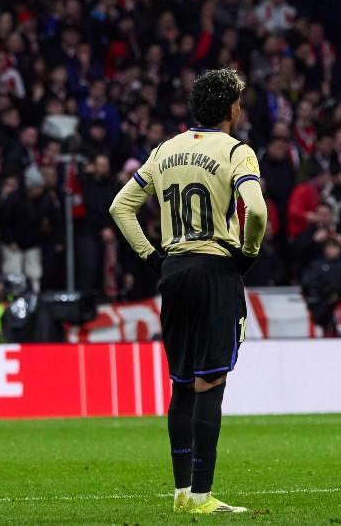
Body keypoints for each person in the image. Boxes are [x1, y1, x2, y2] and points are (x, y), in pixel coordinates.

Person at [109, 68, 267, 514]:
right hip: (215, 268)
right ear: (231, 107)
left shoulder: (165, 150)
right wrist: (248, 253)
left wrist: (152, 257)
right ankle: (202, 496)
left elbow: (120, 206)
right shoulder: (237, 151)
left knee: (180, 384)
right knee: (210, 381)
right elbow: (254, 209)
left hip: (173, 270)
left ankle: (181, 493)